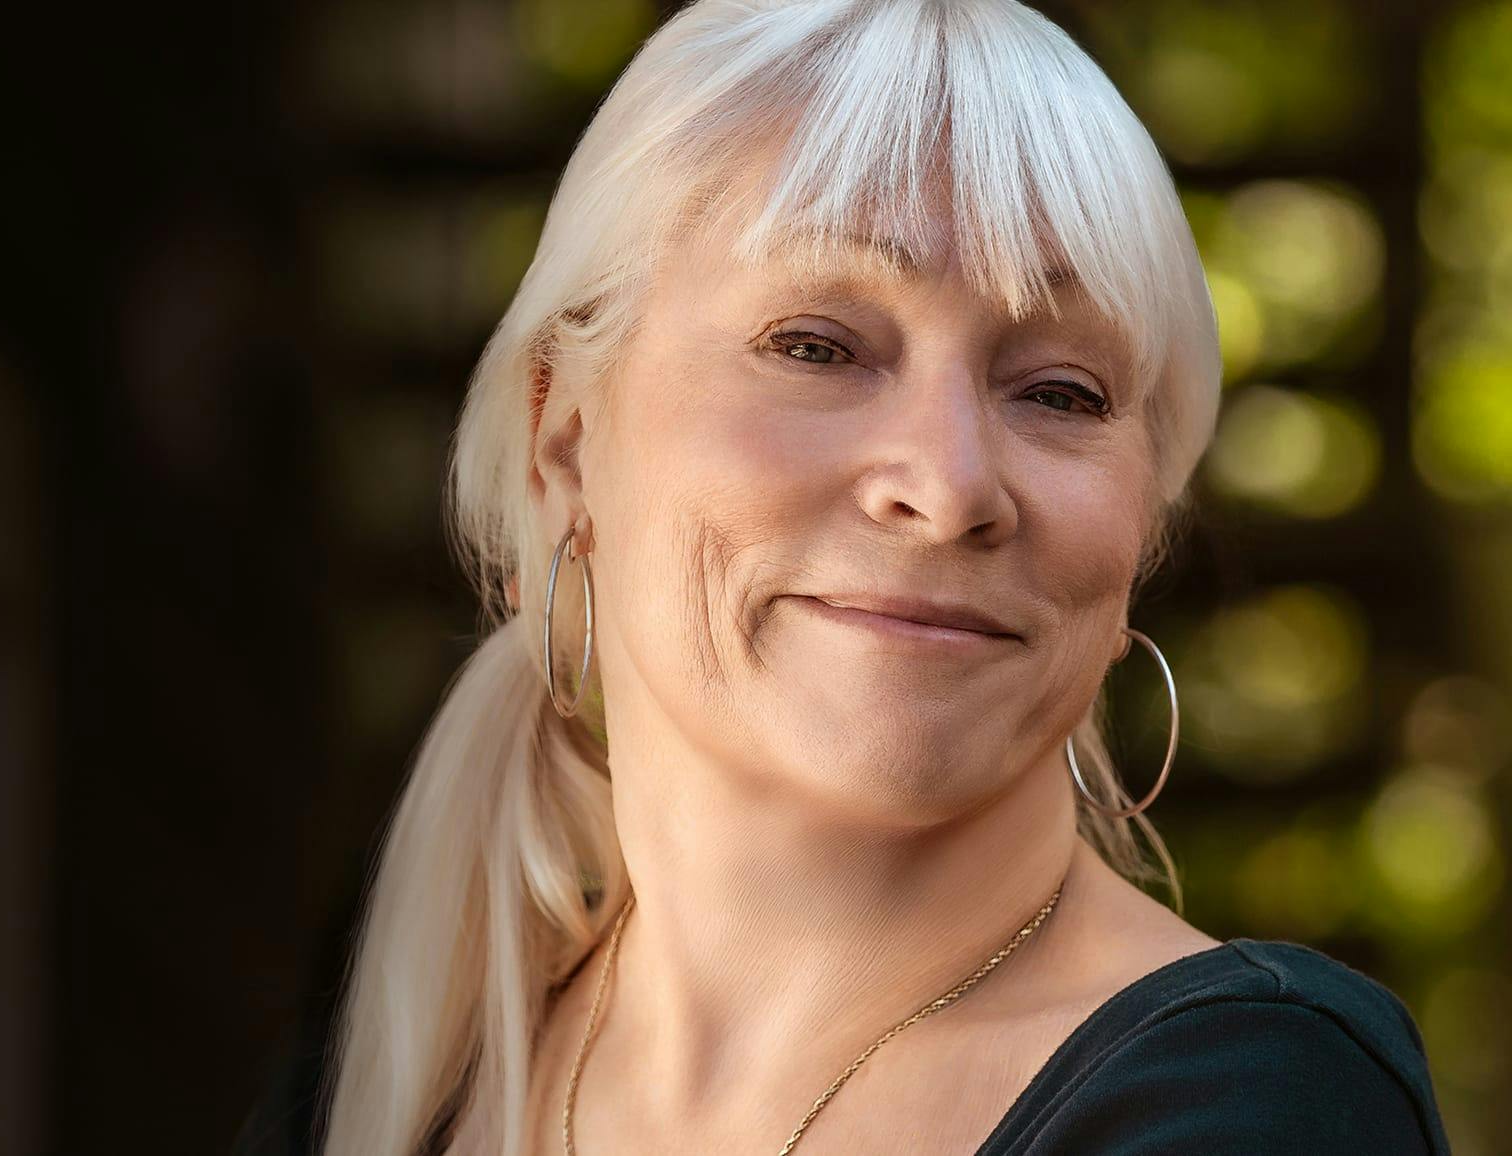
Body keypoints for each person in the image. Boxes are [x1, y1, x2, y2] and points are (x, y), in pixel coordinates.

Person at [239, 0, 1454, 1152]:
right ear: (565, 446)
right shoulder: (389, 1082)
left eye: (1058, 392)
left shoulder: (1258, 1106)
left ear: (1140, 534)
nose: (948, 484)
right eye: (816, 346)